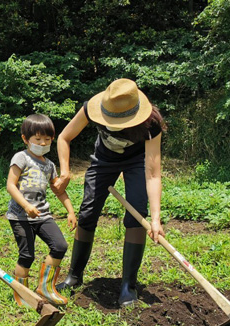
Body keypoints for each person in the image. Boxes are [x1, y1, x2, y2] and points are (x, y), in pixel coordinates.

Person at [53, 78, 166, 307]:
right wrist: (65, 171)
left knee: (136, 215)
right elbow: (64, 137)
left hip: (137, 162)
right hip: (104, 160)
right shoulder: (91, 108)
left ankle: (128, 286)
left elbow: (153, 174)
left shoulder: (151, 124)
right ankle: (74, 276)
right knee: (87, 212)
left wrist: (155, 219)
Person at [6, 114, 77, 307]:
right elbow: (11, 185)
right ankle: (21, 294)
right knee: (27, 255)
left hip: (42, 215)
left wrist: (70, 211)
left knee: (60, 245)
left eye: (47, 139)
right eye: (37, 139)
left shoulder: (49, 165)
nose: (43, 143)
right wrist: (26, 206)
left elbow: (59, 191)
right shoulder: (21, 158)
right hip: (20, 216)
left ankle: (45, 287)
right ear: (25, 139)